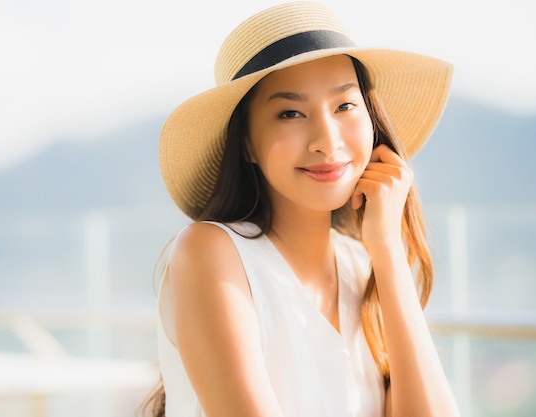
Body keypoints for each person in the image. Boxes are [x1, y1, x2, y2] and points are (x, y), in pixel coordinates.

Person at [142, 2, 460, 416]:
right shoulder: (213, 252)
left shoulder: (359, 263)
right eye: (290, 113)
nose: (327, 141)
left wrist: (387, 251)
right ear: (247, 144)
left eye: (345, 106)